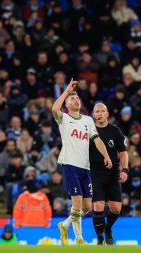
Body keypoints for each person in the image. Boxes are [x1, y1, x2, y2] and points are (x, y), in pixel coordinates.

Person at [52, 78, 112, 245]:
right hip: (70, 164)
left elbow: (97, 140)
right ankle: (79, 238)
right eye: (72, 98)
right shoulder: (63, 118)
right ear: (67, 104)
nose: (76, 100)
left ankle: (64, 225)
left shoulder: (88, 120)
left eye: (77, 98)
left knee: (87, 207)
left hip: (86, 167)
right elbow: (54, 108)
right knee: (77, 203)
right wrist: (66, 91)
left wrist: (106, 155)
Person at [90, 103, 128, 245]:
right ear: (93, 115)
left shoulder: (115, 131)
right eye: (97, 111)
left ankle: (107, 228)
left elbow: (123, 153)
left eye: (102, 111)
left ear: (107, 114)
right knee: (98, 205)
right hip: (94, 173)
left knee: (116, 208)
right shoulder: (89, 131)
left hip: (112, 174)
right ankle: (100, 239)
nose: (99, 114)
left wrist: (125, 170)